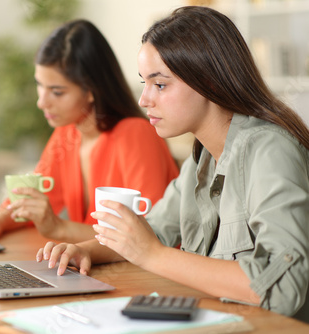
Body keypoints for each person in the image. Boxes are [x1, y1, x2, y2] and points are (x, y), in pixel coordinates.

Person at [36, 6, 309, 322]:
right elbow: (155, 229)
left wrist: (152, 255)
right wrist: (84, 250)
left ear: (209, 81)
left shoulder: (270, 150)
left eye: (160, 85)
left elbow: (284, 289)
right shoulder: (203, 156)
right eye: (144, 83)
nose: (144, 100)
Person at [0, 19, 179, 243]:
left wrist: (58, 229)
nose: (41, 102)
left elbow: (147, 238)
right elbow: (33, 200)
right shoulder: (67, 134)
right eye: (40, 86)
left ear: (91, 90)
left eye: (57, 92)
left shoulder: (137, 135)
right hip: (93, 267)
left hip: (142, 275)